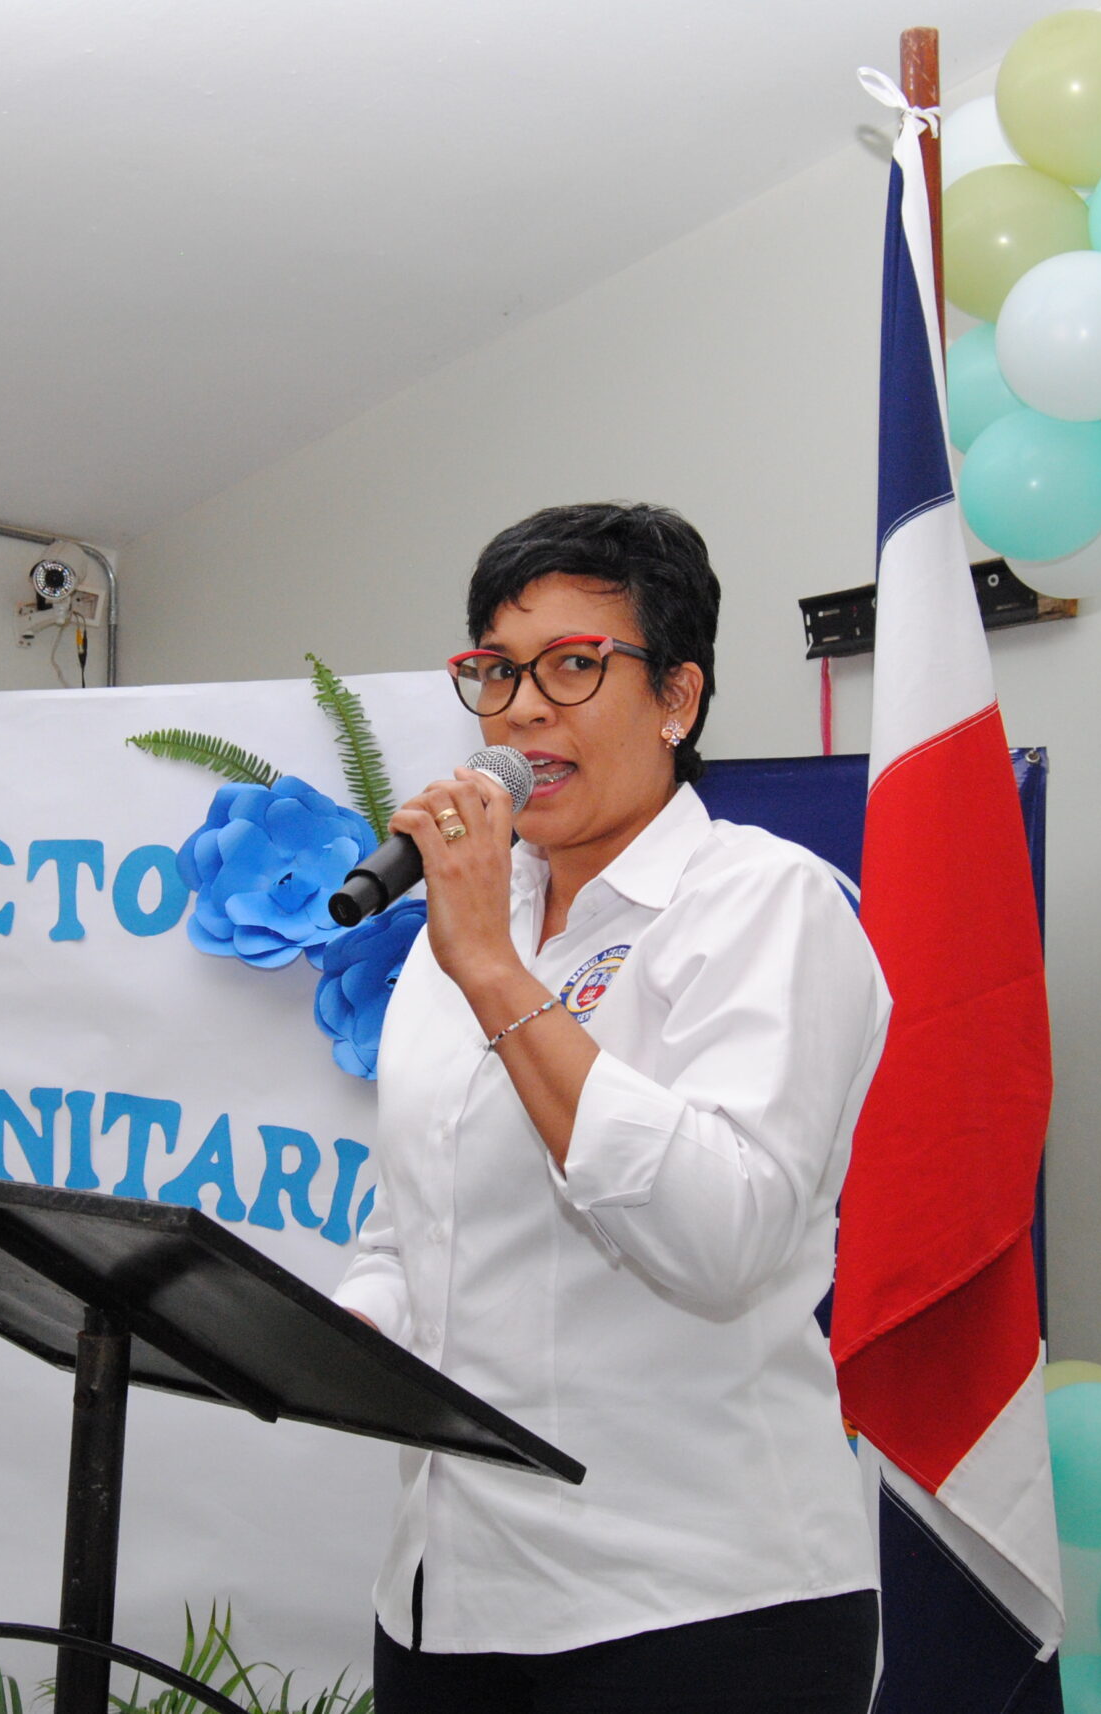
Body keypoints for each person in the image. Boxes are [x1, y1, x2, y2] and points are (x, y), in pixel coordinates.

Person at [332, 502, 893, 1712]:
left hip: (696, 1607)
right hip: (445, 1599)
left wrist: (497, 974)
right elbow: (414, 1221)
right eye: (497, 670)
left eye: (574, 665)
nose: (523, 708)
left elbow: (721, 1237)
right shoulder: (461, 930)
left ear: (677, 698)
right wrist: (338, 1332)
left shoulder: (763, 902)